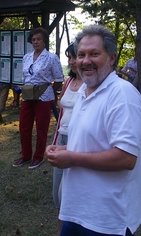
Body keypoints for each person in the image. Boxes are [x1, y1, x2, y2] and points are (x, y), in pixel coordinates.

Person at [46, 25, 141, 236]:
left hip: (107, 220)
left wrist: (72, 158)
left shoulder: (122, 94)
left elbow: (126, 158)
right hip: (77, 211)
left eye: (94, 54)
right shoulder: (85, 91)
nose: (85, 61)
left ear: (111, 58)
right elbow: (93, 142)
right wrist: (65, 148)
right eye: (81, 55)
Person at [13, 27, 63, 169]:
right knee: (24, 126)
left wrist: (49, 91)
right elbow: (25, 77)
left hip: (44, 95)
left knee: (41, 128)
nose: (36, 42)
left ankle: (38, 156)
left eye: (38, 39)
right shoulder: (26, 57)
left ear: (44, 41)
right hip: (28, 95)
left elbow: (58, 79)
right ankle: (25, 155)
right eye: (33, 39)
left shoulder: (51, 57)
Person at [51, 42, 83, 235]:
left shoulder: (91, 83)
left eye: (75, 56)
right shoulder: (69, 82)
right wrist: (55, 140)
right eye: (69, 57)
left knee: (70, 192)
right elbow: (61, 113)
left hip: (78, 141)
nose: (72, 61)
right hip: (61, 138)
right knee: (57, 194)